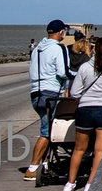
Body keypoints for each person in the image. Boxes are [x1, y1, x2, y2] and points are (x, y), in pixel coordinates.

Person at [63, 37, 102, 191]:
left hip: (85, 109)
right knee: (100, 150)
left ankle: (70, 183)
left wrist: (84, 99)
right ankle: (91, 184)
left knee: (79, 149)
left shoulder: (85, 67)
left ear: (94, 49)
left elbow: (74, 92)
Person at [23, 20, 71, 183]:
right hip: (50, 94)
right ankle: (32, 169)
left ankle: (45, 164)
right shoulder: (59, 48)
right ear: (61, 33)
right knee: (46, 132)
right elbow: (64, 72)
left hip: (35, 93)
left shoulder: (37, 49)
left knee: (47, 128)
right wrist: (81, 75)